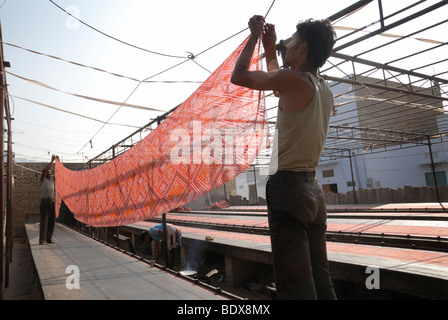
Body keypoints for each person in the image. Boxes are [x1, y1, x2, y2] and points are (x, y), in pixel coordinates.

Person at [231, 15, 337, 300]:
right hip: (313, 193)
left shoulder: (294, 80)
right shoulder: (322, 88)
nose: (285, 45)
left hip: (288, 189)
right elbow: (279, 87)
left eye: (291, 41)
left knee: (295, 284)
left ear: (302, 48)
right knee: (319, 274)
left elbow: (238, 76)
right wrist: (268, 50)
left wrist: (253, 36)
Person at [39, 155, 59, 245]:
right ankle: (42, 240)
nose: (49, 172)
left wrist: (57, 162)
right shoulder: (42, 179)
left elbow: (59, 173)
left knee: (51, 221)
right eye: (48, 171)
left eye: (50, 171)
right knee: (44, 221)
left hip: (52, 201)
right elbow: (45, 170)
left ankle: (48, 239)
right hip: (44, 201)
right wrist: (52, 161)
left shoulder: (52, 179)